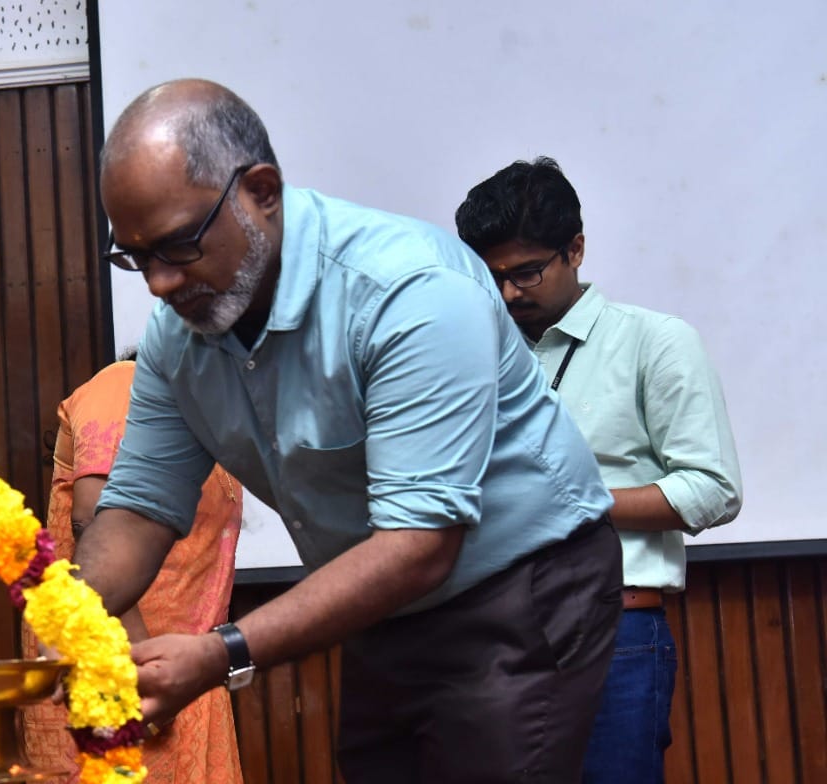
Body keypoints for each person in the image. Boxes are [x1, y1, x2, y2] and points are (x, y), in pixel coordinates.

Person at [71, 79, 622, 783]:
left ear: (262, 192)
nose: (157, 285)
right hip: (380, 601)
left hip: (519, 589)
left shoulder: (408, 290)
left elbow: (419, 546)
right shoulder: (175, 340)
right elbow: (138, 511)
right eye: (135, 257)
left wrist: (224, 650)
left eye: (178, 246)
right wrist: (68, 618)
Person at [456, 157, 742, 783]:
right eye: (491, 276)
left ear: (576, 249)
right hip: (484, 641)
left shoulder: (654, 341)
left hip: (614, 634)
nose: (508, 294)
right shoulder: (471, 353)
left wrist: (570, 501)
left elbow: (713, 489)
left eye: (527, 272)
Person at [21, 356, 244, 783]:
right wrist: (139, 670)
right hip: (122, 666)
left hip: (183, 672)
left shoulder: (202, 416)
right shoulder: (127, 382)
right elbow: (91, 520)